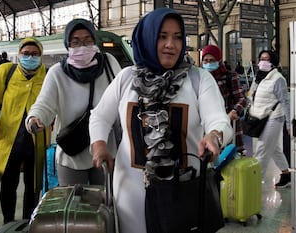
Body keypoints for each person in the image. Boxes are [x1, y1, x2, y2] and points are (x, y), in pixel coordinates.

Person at [89, 8, 233, 233]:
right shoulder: (126, 79)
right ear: (147, 38)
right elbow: (99, 116)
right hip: (130, 192)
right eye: (162, 36)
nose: (171, 44)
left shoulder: (198, 79)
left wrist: (214, 135)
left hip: (183, 192)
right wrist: (99, 145)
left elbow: (218, 118)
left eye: (177, 37)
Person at [25, 18, 122, 186]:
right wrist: (35, 117)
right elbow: (44, 104)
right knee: (74, 206)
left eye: (87, 41)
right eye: (75, 42)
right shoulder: (58, 73)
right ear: (67, 45)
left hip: (106, 150)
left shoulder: (108, 64)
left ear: (94, 41)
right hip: (72, 155)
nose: (82, 47)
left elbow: (123, 96)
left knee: (104, 205)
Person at [0, 37, 47, 222]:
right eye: (26, 54)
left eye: (34, 54)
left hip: (37, 141)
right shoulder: (6, 71)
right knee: (8, 184)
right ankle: (8, 221)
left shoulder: (47, 75)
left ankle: (28, 222)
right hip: (9, 140)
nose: (30, 57)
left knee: (33, 186)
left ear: (41, 56)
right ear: (19, 55)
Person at [248, 50, 291, 188]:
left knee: (262, 149)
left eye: (267, 59)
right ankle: (286, 174)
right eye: (261, 58)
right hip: (261, 115)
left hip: (274, 117)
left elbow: (285, 101)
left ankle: (253, 184)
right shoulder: (258, 77)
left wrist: (289, 123)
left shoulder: (278, 78)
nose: (263, 62)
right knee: (274, 148)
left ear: (273, 62)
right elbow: (252, 95)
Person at [202, 45, 247, 154]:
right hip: (206, 126)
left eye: (212, 60)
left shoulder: (230, 77)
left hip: (228, 125)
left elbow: (242, 99)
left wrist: (235, 111)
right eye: (205, 60)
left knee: (230, 160)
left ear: (219, 60)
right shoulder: (201, 79)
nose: (208, 63)